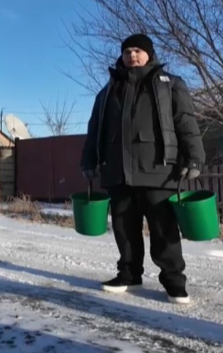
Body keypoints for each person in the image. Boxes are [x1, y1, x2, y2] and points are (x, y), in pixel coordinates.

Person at [81, 33, 205, 304]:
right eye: (127, 52)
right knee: (124, 228)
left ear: (149, 54)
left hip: (158, 170)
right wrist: (89, 161)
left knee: (163, 229)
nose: (132, 55)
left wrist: (194, 158)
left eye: (138, 50)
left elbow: (186, 123)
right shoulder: (108, 91)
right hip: (117, 171)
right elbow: (95, 130)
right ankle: (129, 274)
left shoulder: (170, 85)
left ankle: (174, 281)